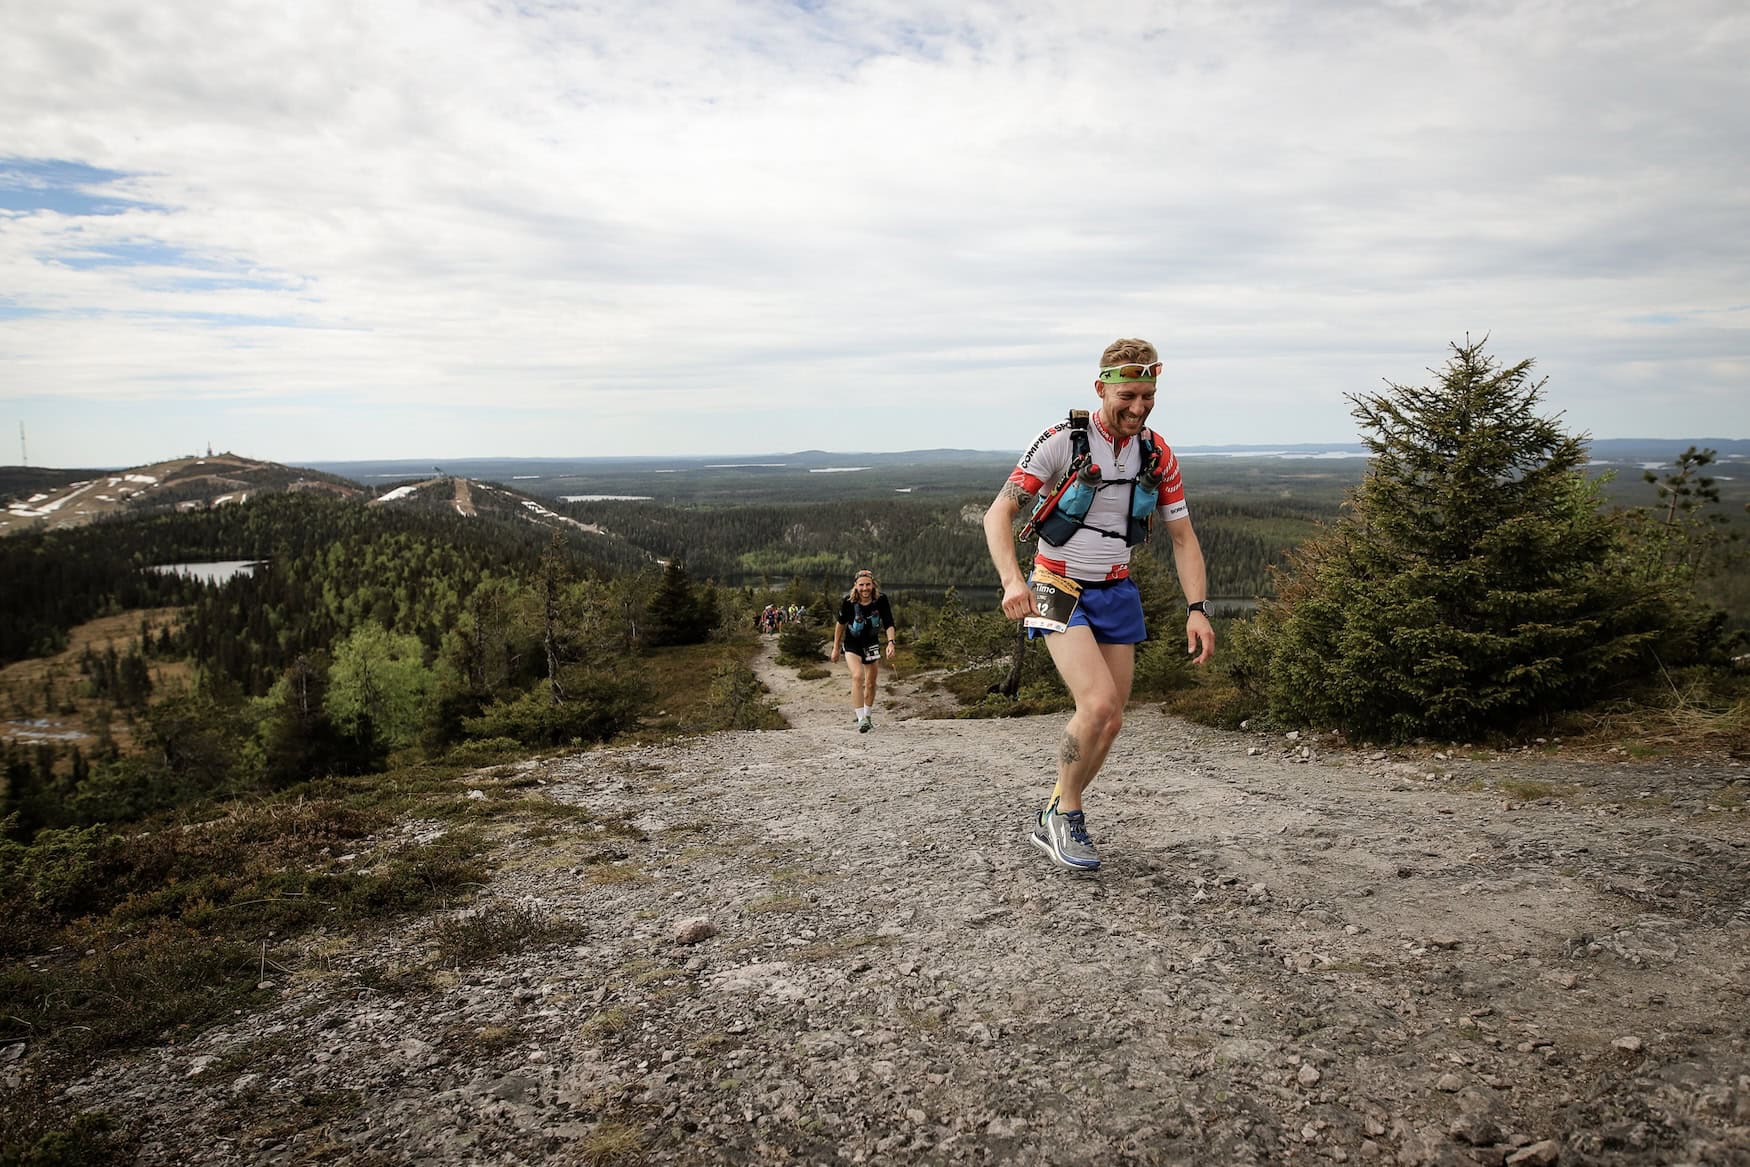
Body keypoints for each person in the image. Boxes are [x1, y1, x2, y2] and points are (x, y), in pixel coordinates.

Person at [982, 338, 1215, 871]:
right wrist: (1011, 582)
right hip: (1055, 583)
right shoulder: (1061, 441)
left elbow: (1183, 537)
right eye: (1128, 395)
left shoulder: (1156, 453)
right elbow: (998, 515)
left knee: (1111, 721)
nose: (1139, 408)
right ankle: (1066, 812)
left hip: (1116, 586)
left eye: (1149, 396)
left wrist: (1196, 608)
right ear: (1101, 388)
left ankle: (1055, 808)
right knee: (1098, 704)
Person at [829, 568, 897, 733]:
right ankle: (860, 719)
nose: (865, 588)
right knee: (858, 676)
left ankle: (867, 716)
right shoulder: (848, 601)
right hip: (852, 644)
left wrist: (890, 642)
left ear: (873, 584)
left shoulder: (881, 600)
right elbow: (840, 624)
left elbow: (888, 622)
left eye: (868, 584)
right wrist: (836, 647)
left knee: (871, 683)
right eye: (861, 585)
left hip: (871, 644)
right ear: (855, 585)